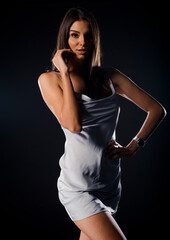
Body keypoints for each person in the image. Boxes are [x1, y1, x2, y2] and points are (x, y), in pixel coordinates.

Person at [37, 7, 166, 240]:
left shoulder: (110, 76)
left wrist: (134, 145)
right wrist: (65, 72)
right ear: (65, 38)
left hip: (109, 183)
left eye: (88, 35)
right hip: (78, 186)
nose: (82, 41)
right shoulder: (50, 80)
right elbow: (73, 125)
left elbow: (157, 109)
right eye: (75, 35)